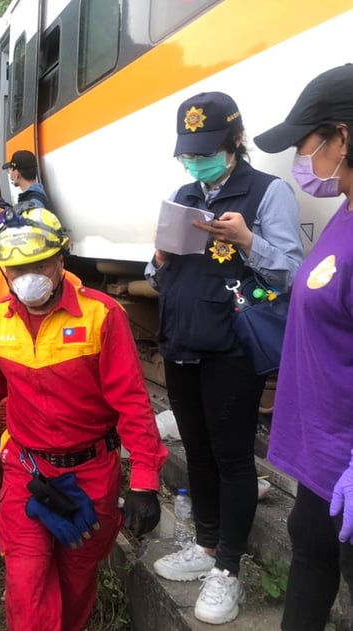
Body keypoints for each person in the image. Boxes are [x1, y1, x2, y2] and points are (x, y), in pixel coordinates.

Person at [0, 207, 166, 631]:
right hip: (26, 469)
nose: (27, 276)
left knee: (77, 579)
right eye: (15, 269)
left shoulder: (102, 316)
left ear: (61, 258)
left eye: (38, 264)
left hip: (91, 475)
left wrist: (145, 481)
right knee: (26, 581)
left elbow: (132, 402)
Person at [146, 91, 303, 625]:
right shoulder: (185, 193)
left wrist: (246, 240)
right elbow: (160, 273)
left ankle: (228, 570)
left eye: (206, 149)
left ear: (235, 141)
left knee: (233, 458)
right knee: (197, 447)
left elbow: (289, 274)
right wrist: (157, 259)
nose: (195, 161)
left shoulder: (267, 192)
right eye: (188, 152)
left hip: (233, 347)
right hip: (183, 340)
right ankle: (207, 547)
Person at [251, 64, 353, 631]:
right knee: (311, 553)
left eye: (305, 142)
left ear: (342, 136)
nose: (300, 159)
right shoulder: (345, 206)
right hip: (324, 457)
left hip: (346, 460)